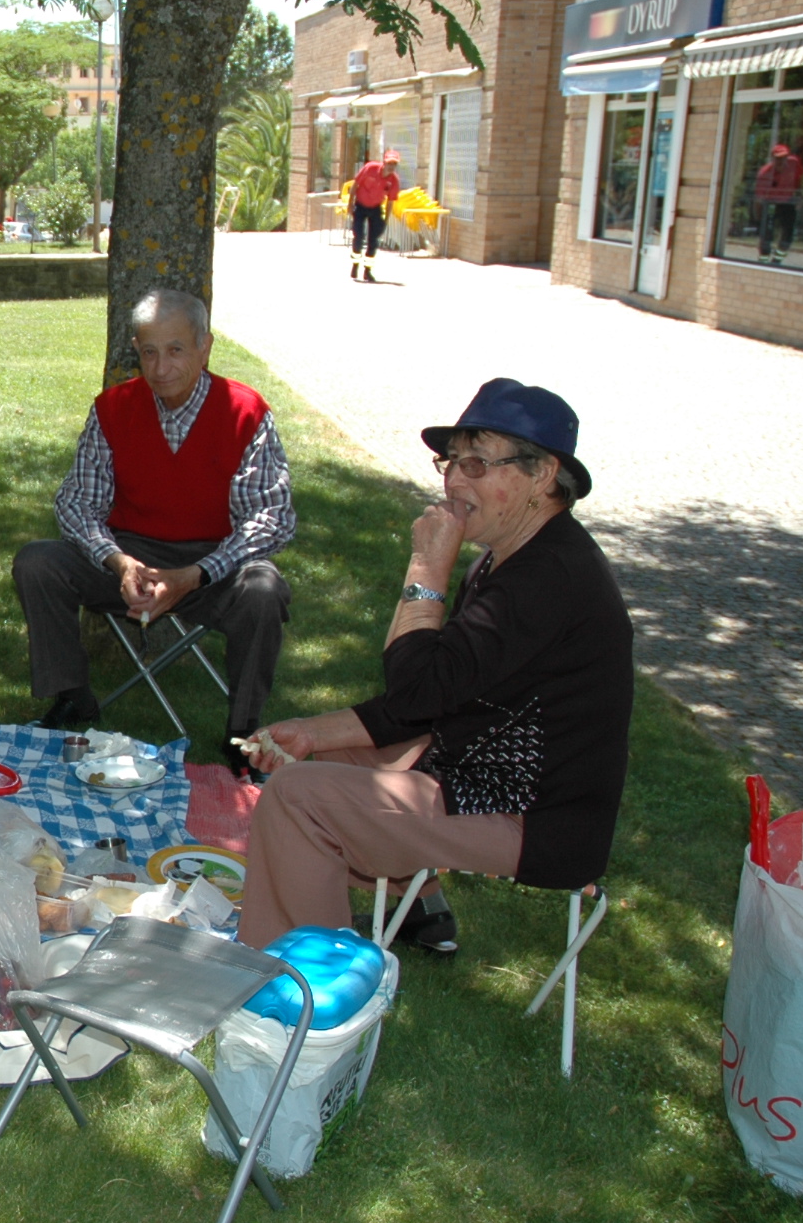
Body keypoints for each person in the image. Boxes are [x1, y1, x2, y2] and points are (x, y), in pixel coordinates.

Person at [235, 379, 633, 955]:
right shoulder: (515, 559)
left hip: (536, 818)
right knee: (326, 759)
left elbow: (419, 689)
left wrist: (426, 566)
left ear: (543, 475)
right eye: (452, 462)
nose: (454, 479)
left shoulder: (550, 579)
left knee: (298, 797)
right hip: (480, 774)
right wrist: (312, 733)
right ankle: (406, 901)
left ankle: (305, 991)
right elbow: (432, 696)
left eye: (477, 463)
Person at [13, 288, 294, 779]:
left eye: (176, 349)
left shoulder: (246, 412)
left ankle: (244, 732)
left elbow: (271, 517)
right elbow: (76, 501)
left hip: (215, 563)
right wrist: (116, 561)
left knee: (265, 591)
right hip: (132, 556)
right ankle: (73, 699)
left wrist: (196, 573)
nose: (161, 366)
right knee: (38, 561)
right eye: (148, 351)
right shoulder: (113, 408)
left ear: (204, 347)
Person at [350, 149, 401, 282]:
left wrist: (385, 220)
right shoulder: (370, 168)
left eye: (394, 164)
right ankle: (355, 264)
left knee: (373, 240)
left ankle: (368, 270)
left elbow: (390, 201)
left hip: (375, 208)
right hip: (361, 205)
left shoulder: (393, 180)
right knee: (359, 236)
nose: (391, 167)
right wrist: (350, 204)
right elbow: (355, 184)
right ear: (384, 162)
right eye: (389, 163)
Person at [756, 143, 803, 264]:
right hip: (770, 203)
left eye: (783, 157)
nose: (781, 161)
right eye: (778, 158)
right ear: (773, 158)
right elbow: (759, 198)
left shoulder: (794, 163)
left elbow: (799, 179)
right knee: (767, 233)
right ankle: (763, 260)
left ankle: (777, 259)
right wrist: (759, 215)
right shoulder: (764, 173)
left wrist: (799, 196)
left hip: (787, 202)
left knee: (788, 232)